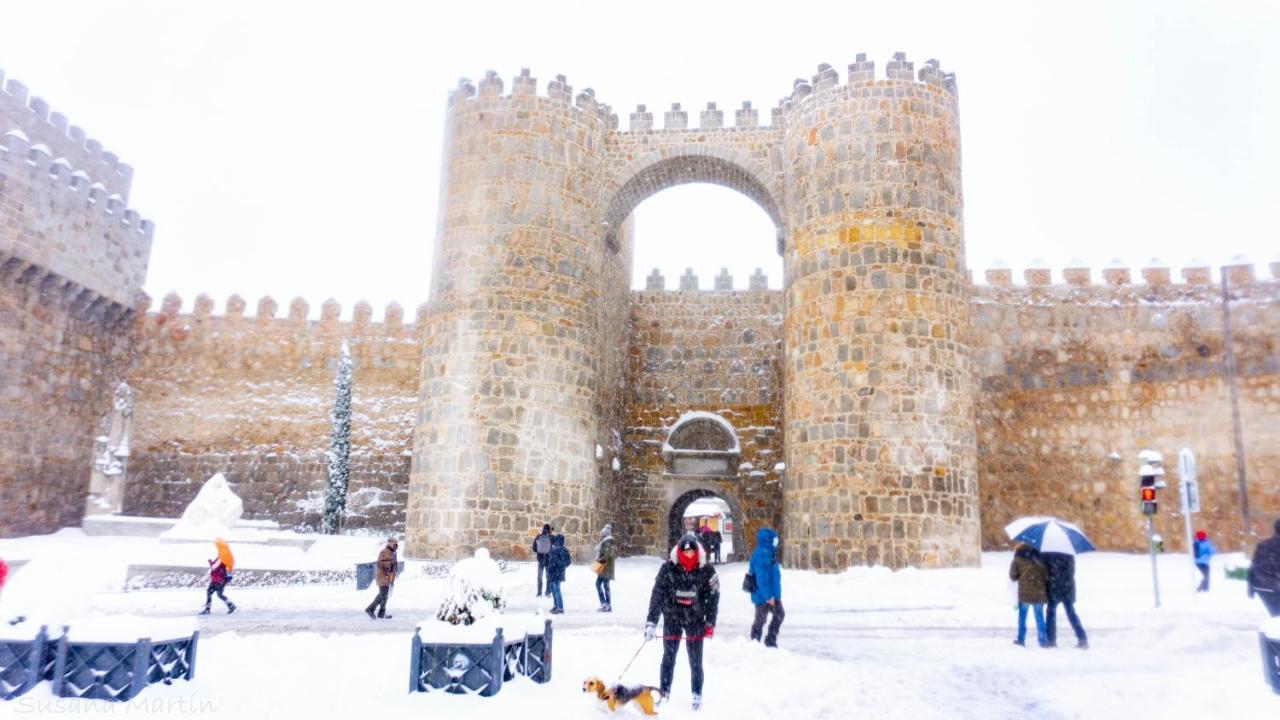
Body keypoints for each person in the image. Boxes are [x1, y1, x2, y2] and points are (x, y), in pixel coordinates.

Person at [645, 533, 719, 712]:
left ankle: (696, 695)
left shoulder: (706, 570)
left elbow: (713, 597)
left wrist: (710, 623)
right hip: (673, 619)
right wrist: (651, 622)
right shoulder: (668, 568)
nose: (687, 556)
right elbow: (657, 594)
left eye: (691, 552)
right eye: (684, 552)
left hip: (695, 621)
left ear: (696, 551)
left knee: (696, 662)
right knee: (668, 659)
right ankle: (664, 692)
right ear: (678, 552)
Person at [1042, 551, 1088, 649]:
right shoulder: (1069, 555)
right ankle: (1082, 638)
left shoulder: (1047, 555)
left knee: (1051, 614)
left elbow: (1045, 571)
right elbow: (1070, 573)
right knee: (1071, 613)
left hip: (1053, 589)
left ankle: (1051, 639)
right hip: (1067, 589)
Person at [748, 527, 784, 647]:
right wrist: (768, 595)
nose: (776, 542)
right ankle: (755, 641)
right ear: (768, 540)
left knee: (778, 614)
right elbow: (762, 577)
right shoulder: (762, 554)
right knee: (761, 619)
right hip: (764, 595)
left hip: (770, 594)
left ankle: (769, 639)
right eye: (774, 540)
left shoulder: (768, 552)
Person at [1009, 543, 1048, 647]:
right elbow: (1046, 576)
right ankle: (1043, 641)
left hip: (1024, 594)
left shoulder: (1017, 559)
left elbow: (1012, 576)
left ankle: (1021, 639)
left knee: (1022, 618)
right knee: (1039, 618)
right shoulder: (1040, 558)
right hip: (1039, 594)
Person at [1248, 518, 1280, 617]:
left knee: (1276, 615)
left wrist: (1250, 589)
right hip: (1275, 586)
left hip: (1261, 586)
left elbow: (1253, 566)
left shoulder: (1263, 545)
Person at [200, 539, 237, 615]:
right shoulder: (222, 557)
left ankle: (207, 609)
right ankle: (231, 605)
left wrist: (210, 562)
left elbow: (214, 567)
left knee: (211, 593)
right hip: (219, 579)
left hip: (217, 579)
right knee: (218, 594)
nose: (217, 549)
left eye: (218, 547)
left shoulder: (222, 557)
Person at [364, 537, 398, 619]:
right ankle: (370, 609)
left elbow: (394, 564)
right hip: (383, 576)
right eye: (394, 542)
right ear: (389, 542)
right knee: (382, 595)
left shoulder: (393, 552)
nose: (396, 544)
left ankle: (381, 613)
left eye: (396, 543)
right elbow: (379, 563)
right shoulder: (384, 552)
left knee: (385, 596)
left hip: (389, 577)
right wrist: (389, 564)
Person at [546, 533, 571, 614]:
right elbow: (568, 562)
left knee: (555, 590)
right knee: (555, 589)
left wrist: (550, 569)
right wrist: (561, 565)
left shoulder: (555, 550)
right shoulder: (565, 550)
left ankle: (559, 607)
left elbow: (551, 562)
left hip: (554, 573)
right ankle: (557, 606)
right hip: (560, 573)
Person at [595, 524, 617, 612]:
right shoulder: (606, 543)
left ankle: (606, 604)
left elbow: (606, 556)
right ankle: (605, 604)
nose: (600, 537)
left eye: (602, 535)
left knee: (603, 585)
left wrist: (598, 561)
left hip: (605, 568)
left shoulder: (607, 542)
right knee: (602, 585)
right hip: (605, 568)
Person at [532, 523, 553, 597]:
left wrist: (539, 552)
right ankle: (547, 592)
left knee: (539, 577)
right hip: (548, 560)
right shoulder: (551, 537)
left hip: (540, 559)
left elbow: (534, 547)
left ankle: (539, 592)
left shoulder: (538, 536)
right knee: (548, 577)